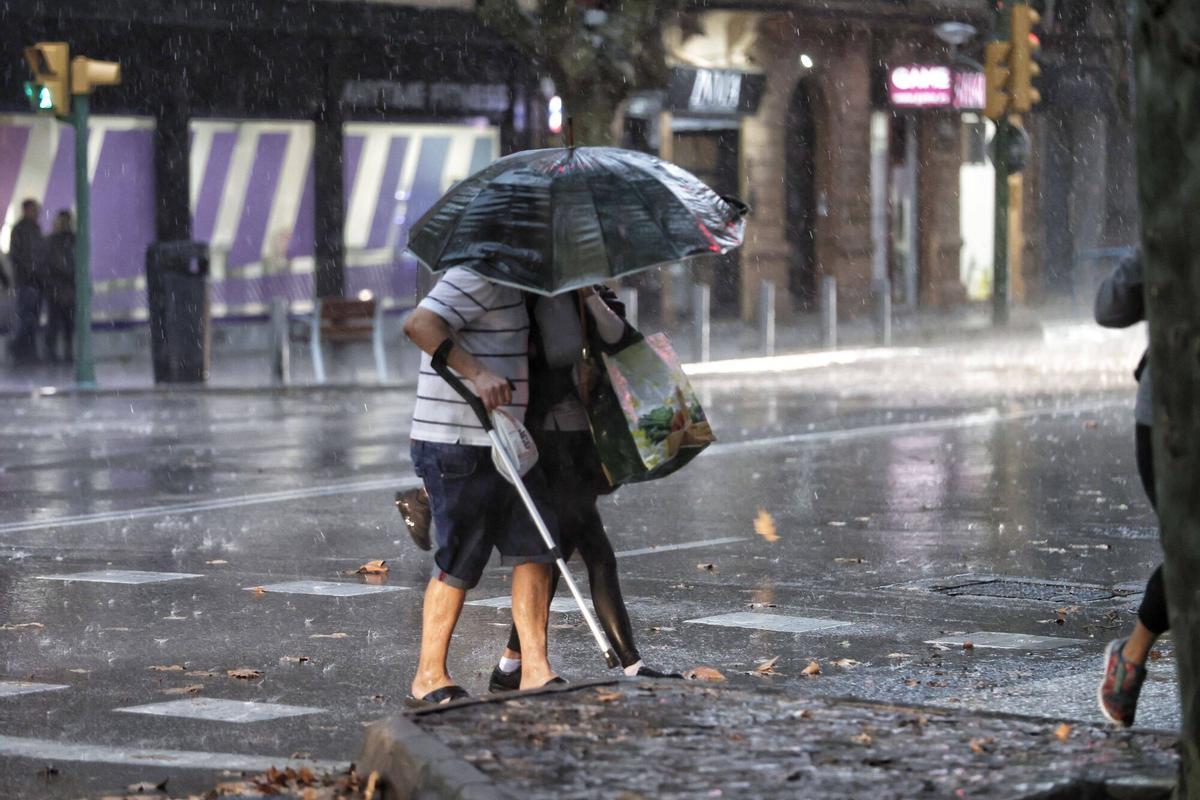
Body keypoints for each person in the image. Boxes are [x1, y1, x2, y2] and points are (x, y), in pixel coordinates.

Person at [398, 285, 679, 690]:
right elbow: (434, 331)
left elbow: (618, 337)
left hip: (579, 439)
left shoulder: (573, 291)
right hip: (539, 441)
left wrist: (588, 296)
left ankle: (519, 666)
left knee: (545, 551)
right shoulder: (516, 295)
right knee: (569, 549)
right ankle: (621, 663)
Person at [402, 265, 563, 705]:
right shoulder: (479, 273)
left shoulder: (514, 281)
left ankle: (535, 669)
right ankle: (428, 675)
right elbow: (420, 324)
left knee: (535, 547)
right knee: (461, 556)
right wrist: (478, 374)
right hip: (457, 441)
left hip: (507, 441)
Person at [1095, 250, 1163, 727]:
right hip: (1171, 423)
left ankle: (1134, 652)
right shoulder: (1181, 226)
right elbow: (1110, 307)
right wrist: (1153, 253)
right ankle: (1133, 652)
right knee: (1193, 550)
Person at [7, 199, 45, 364]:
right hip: (27, 281)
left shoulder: (31, 229)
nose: (37, 213)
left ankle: (24, 351)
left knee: (30, 318)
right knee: (27, 318)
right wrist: (31, 271)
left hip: (32, 281)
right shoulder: (21, 230)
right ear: (27, 210)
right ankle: (19, 349)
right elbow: (17, 256)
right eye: (34, 210)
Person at [43, 210, 75, 362]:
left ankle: (60, 352)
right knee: (58, 323)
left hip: (61, 288)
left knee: (64, 323)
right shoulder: (56, 241)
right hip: (59, 288)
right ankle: (55, 352)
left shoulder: (64, 240)